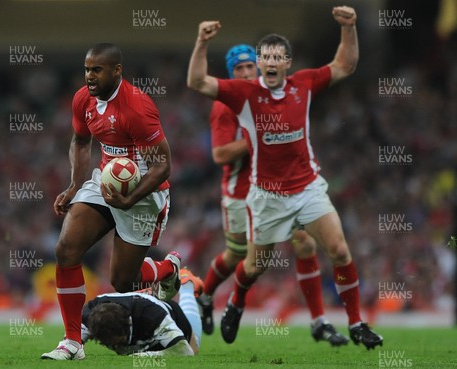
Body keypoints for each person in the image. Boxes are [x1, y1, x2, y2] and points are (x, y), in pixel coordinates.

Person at [187, 7, 384, 350]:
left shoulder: (304, 84)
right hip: (266, 196)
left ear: (288, 63)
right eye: (265, 58)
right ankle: (236, 299)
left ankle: (356, 323)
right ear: (261, 64)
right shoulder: (243, 94)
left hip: (308, 188)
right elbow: (197, 82)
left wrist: (349, 27)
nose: (271, 63)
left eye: (278, 57)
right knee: (253, 265)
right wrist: (201, 43)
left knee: (338, 249)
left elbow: (345, 65)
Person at [198, 44, 349, 346]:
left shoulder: (272, 95)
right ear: (232, 74)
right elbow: (219, 154)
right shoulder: (226, 105)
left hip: (280, 189)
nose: (245, 72)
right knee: (238, 256)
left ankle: (319, 320)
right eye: (238, 69)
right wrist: (261, 137)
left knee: (304, 244)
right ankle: (205, 296)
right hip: (241, 193)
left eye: (248, 67)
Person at [41, 43, 181, 361]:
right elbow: (79, 140)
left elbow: (162, 166)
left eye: (97, 69)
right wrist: (76, 184)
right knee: (66, 249)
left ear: (117, 70)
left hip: (145, 194)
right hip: (104, 181)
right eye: (87, 69)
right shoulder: (83, 99)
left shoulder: (137, 108)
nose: (90, 76)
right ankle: (73, 342)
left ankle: (168, 268)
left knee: (122, 280)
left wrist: (129, 198)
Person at [81, 268, 203, 356]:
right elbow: (70, 344)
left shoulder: (153, 317)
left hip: (169, 313)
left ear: (127, 324)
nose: (117, 348)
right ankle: (149, 292)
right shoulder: (90, 314)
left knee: (194, 348)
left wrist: (146, 356)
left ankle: (187, 286)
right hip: (139, 300)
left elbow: (185, 351)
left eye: (118, 342)